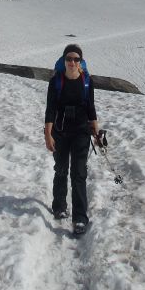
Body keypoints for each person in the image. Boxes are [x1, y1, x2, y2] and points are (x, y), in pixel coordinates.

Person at [44, 43, 99, 235]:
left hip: (81, 131)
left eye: (76, 59)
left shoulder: (86, 82)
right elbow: (50, 109)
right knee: (60, 169)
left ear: (81, 62)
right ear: (63, 61)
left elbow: (90, 106)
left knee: (78, 173)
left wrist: (95, 128)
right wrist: (48, 134)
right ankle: (59, 206)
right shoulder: (56, 81)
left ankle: (80, 218)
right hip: (60, 131)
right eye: (69, 59)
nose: (72, 62)